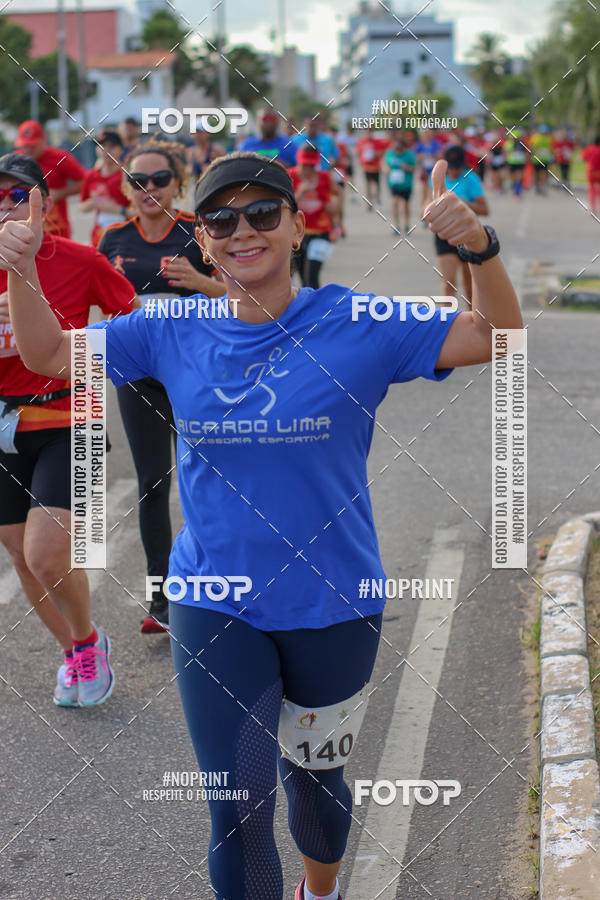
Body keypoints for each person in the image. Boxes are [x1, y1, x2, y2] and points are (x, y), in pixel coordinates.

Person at [3, 149, 522, 900]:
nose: (242, 230)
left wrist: (478, 249)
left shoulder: (357, 319)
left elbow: (496, 339)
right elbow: (50, 352)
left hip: (334, 601)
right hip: (215, 602)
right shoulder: (172, 328)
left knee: (315, 785)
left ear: (295, 224)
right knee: (239, 807)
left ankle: (323, 890)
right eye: (221, 219)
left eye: (261, 213)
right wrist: (20, 271)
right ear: (203, 240)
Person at [0, 153, 138, 707]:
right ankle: (80, 647)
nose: (4, 206)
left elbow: (132, 320)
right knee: (19, 554)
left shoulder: (81, 259)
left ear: (43, 203)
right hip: (5, 424)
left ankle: (86, 637)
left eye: (16, 195)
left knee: (47, 555)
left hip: (71, 417)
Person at [97, 139, 225, 633]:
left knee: (213, 480)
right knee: (153, 483)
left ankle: (220, 586)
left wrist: (202, 281)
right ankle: (162, 598)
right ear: (126, 187)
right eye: (137, 181)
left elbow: (248, 297)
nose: (148, 189)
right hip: (138, 378)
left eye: (159, 180)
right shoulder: (112, 240)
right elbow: (95, 309)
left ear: (178, 183)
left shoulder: (203, 230)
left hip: (199, 375)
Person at [431, 144, 489, 307]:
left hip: (467, 234)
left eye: (458, 168)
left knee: (470, 288)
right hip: (444, 235)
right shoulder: (437, 178)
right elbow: (425, 205)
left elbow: (485, 209)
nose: (454, 172)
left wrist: (462, 203)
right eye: (451, 168)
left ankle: (474, 326)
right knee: (448, 284)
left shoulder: (471, 179)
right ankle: (446, 326)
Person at [14, 120, 85, 238]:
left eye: (33, 145)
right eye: (25, 145)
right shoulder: (14, 161)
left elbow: (85, 181)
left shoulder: (60, 157)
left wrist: (60, 193)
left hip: (56, 230)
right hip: (24, 231)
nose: (29, 150)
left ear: (44, 139)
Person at [289, 145, 335, 288]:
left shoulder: (325, 177)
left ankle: (318, 309)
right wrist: (300, 193)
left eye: (311, 165)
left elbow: (338, 195)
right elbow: (285, 206)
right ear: (298, 161)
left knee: (312, 277)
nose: (308, 169)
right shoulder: (289, 176)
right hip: (297, 235)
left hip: (320, 233)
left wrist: (333, 208)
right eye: (304, 164)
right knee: (302, 277)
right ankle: (308, 307)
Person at [79, 131, 130, 247]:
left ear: (121, 149)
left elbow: (141, 212)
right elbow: (82, 206)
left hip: (125, 236)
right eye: (101, 146)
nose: (106, 150)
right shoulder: (91, 176)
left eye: (111, 146)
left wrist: (117, 209)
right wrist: (94, 202)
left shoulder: (127, 175)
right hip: (99, 237)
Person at [382, 131, 416, 233]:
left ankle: (406, 223)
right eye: (395, 146)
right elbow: (384, 164)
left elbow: (414, 168)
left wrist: (406, 167)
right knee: (394, 202)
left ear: (402, 146)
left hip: (406, 184)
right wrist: (386, 168)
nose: (396, 148)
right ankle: (396, 225)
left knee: (405, 204)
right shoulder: (390, 154)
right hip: (393, 183)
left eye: (399, 146)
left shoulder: (409, 155)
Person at [356, 128, 390, 209]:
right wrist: (359, 161)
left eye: (370, 131)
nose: (369, 133)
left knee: (377, 184)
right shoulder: (361, 142)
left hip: (376, 167)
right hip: (366, 167)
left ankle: (377, 196)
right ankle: (369, 202)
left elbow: (384, 149)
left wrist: (377, 154)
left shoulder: (377, 142)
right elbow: (358, 152)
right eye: (367, 131)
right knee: (368, 185)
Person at [413, 128, 442, 219]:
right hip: (423, 171)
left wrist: (428, 156)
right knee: (423, 193)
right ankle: (423, 212)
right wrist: (421, 157)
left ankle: (426, 213)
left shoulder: (436, 144)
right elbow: (414, 158)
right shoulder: (418, 145)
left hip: (433, 172)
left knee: (430, 194)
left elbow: (440, 156)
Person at [504, 129, 529, 197]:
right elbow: (506, 152)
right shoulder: (509, 143)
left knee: (519, 177)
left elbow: (527, 152)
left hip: (520, 162)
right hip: (512, 162)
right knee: (513, 177)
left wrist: (526, 158)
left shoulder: (522, 143)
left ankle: (518, 191)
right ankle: (515, 189)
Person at [529, 125, 553, 195]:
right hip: (542, 159)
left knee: (541, 174)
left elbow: (531, 148)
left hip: (539, 159)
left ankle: (539, 187)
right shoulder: (549, 138)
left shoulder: (535, 137)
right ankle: (541, 187)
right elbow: (551, 148)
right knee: (542, 174)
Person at [582, 135, 600, 214]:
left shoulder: (589, 148)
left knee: (592, 189)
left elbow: (583, 158)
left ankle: (593, 208)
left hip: (591, 172)